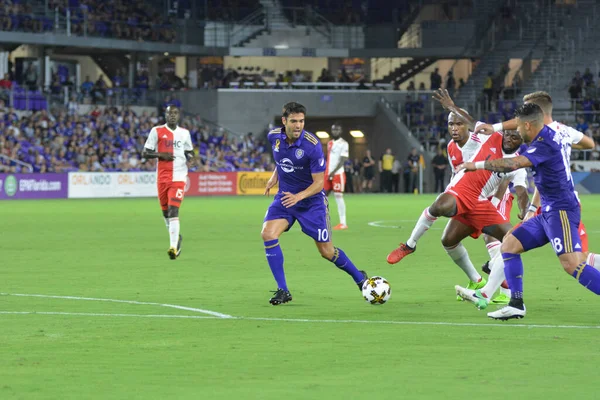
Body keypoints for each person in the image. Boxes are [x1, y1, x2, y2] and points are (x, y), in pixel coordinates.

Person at [457, 103, 600, 320]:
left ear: (528, 125)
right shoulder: (537, 138)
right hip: (548, 212)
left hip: (561, 211)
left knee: (572, 264)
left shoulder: (545, 143)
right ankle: (516, 304)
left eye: (519, 127)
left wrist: (475, 165)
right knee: (509, 245)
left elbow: (513, 164)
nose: (516, 132)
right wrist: (492, 127)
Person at [387, 114, 528, 299]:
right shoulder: (489, 137)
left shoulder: (518, 164)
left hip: (482, 202)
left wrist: (525, 210)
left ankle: (503, 287)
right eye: (507, 135)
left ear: (522, 139)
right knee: (444, 224)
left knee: (514, 240)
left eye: (515, 137)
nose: (509, 139)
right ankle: (409, 245)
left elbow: (521, 190)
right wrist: (452, 107)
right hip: (463, 191)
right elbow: (470, 121)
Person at [261, 102, 369, 306]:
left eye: (301, 121)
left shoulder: (312, 145)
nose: (298, 125)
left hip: (311, 203)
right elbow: (281, 159)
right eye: (293, 121)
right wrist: (275, 176)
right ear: (284, 121)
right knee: (268, 233)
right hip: (285, 198)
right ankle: (283, 290)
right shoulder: (274, 136)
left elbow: (319, 183)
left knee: (327, 252)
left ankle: (359, 278)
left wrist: (298, 197)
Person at [142, 105, 194, 260]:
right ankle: (177, 237)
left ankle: (173, 248)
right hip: (162, 178)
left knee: (173, 211)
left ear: (179, 116)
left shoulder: (184, 133)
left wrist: (191, 159)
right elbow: (145, 153)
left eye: (175, 113)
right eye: (169, 113)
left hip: (179, 177)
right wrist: (160, 155)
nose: (172, 115)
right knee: (165, 213)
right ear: (165, 115)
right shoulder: (156, 131)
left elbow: (189, 151)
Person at [323, 123, 349, 230]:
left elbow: (343, 160)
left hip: (338, 174)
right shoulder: (329, 143)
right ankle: (322, 220)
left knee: (338, 197)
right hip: (328, 174)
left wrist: (333, 172)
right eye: (333, 130)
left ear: (341, 131)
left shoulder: (344, 143)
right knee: (322, 197)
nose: (335, 131)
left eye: (337, 130)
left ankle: (343, 223)